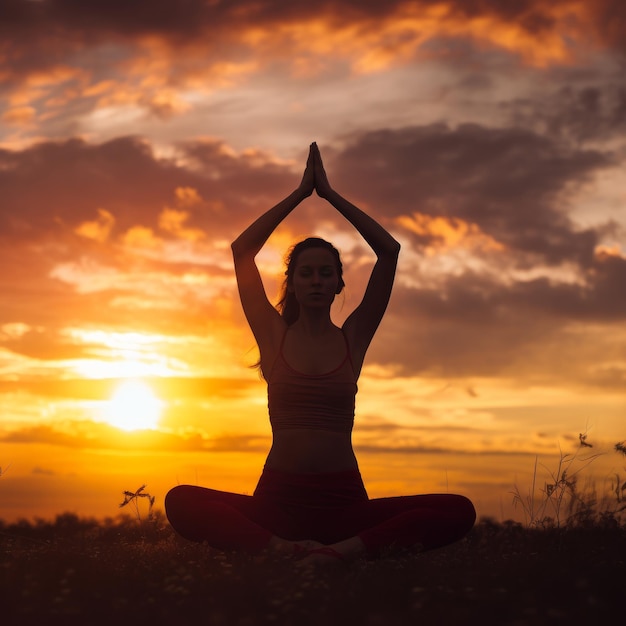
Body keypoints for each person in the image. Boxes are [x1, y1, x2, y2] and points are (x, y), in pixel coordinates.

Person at [165, 143, 476, 564]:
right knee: (180, 500)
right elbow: (242, 251)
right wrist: (299, 193)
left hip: (343, 503)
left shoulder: (354, 339)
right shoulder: (273, 336)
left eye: (325, 273)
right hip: (278, 501)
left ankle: (337, 554)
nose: (315, 281)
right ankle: (285, 549)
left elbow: (389, 251)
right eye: (305, 273)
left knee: (459, 510)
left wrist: (328, 194)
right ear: (291, 284)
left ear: (338, 285)